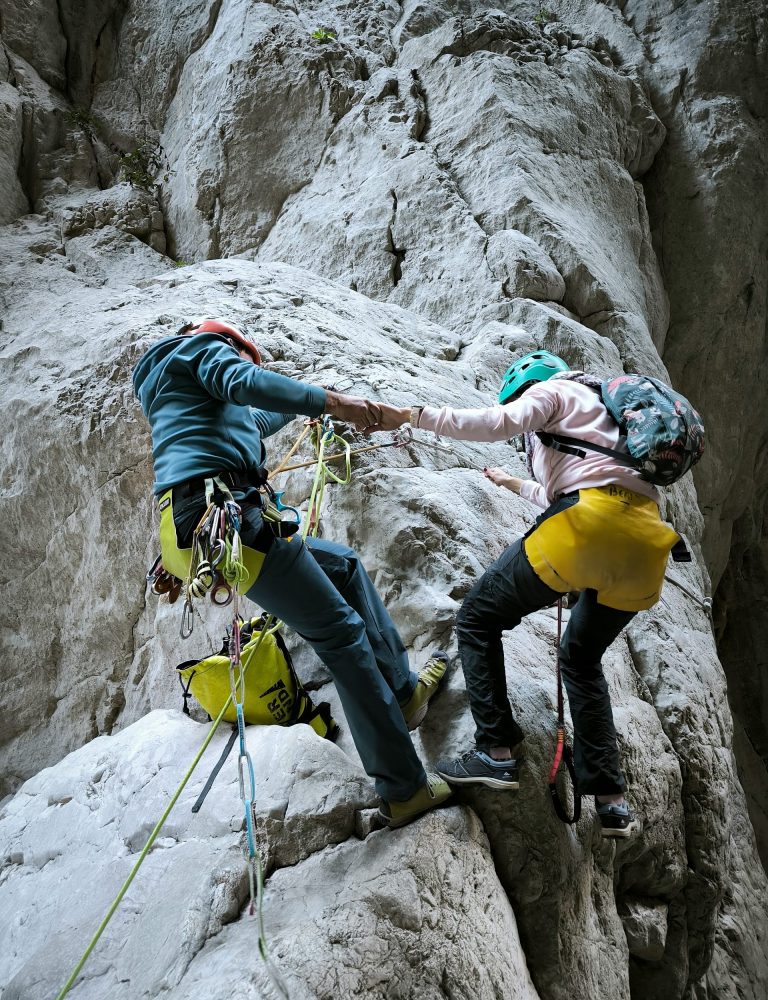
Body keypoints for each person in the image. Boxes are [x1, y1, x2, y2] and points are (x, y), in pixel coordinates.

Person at [132, 318, 452, 828]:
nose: (239, 367)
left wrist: (307, 415)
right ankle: (403, 787)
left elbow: (257, 415)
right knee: (340, 632)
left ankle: (402, 691)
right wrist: (334, 401)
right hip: (229, 523)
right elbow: (245, 382)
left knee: (343, 567)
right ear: (228, 344)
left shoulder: (191, 400)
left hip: (206, 526)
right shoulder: (197, 351)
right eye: (240, 358)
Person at [368, 350, 684, 837]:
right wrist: (513, 482)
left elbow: (498, 423)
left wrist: (414, 416)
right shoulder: (611, 419)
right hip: (647, 550)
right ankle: (611, 799)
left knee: (477, 618)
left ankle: (496, 752)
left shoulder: (554, 390)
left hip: (584, 531)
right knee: (580, 660)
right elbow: (581, 485)